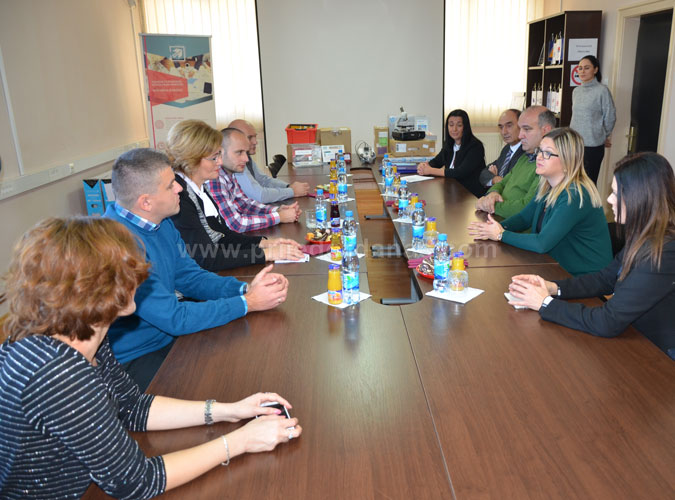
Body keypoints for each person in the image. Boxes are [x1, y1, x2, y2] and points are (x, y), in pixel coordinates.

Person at [0, 217, 302, 499]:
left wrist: (231, 411)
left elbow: (132, 407)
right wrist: (240, 441)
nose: (142, 278)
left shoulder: (83, 332)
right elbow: (138, 481)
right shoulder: (60, 375)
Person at [105, 148, 289, 390]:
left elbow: (190, 277)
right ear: (146, 202)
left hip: (167, 338)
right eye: (170, 185)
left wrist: (244, 289)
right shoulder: (117, 247)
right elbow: (175, 318)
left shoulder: (161, 223)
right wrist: (248, 303)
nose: (180, 188)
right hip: (134, 359)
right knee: (224, 383)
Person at [507, 153, 675, 359]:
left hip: (658, 357)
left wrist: (544, 303)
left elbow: (607, 321)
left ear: (640, 197)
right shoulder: (645, 235)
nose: (609, 199)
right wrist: (552, 287)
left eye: (616, 193)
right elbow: (605, 279)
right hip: (634, 338)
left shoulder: (663, 252)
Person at [468, 127, 612, 276]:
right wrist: (494, 228)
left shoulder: (575, 194)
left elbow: (541, 243)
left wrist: (501, 235)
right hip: (555, 265)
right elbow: (524, 218)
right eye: (540, 151)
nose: (539, 157)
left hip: (586, 277)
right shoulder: (547, 185)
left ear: (566, 160)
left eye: (547, 153)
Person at [167, 119, 304, 271]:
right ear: (191, 158)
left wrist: (264, 243)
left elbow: (222, 236)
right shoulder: (180, 197)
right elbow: (207, 257)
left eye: (219, 155)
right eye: (214, 157)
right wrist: (266, 254)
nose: (220, 162)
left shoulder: (199, 188)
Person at [208, 128, 301, 232]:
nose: (246, 159)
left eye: (246, 153)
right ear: (220, 152)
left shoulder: (230, 173)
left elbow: (244, 204)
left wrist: (276, 210)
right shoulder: (214, 179)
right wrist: (279, 217)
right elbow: (236, 224)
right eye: (239, 152)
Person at [475, 106, 555, 218]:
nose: (520, 135)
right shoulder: (525, 157)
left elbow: (526, 209)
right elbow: (503, 183)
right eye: (520, 129)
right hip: (499, 217)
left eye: (526, 129)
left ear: (545, 131)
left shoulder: (546, 165)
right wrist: (493, 194)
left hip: (511, 223)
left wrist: (489, 205)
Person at [229, 119, 310, 202]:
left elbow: (264, 180)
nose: (255, 142)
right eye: (249, 138)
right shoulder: (236, 162)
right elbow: (260, 195)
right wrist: (292, 191)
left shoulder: (246, 157)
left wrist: (288, 187)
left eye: (255, 137)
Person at [417, 109, 486, 197]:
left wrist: (430, 170)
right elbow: (436, 162)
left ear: (465, 127)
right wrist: (424, 166)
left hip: (470, 195)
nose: (454, 129)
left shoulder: (475, 146)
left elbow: (460, 172)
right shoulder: (449, 144)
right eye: (451, 125)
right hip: (452, 191)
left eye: (459, 125)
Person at [570, 55, 616, 184]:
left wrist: (603, 136)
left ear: (595, 70)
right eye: (580, 68)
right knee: (572, 182)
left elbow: (610, 116)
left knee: (587, 184)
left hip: (592, 147)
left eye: (586, 68)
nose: (582, 71)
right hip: (574, 145)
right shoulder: (576, 91)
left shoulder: (602, 91)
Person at [478, 109, 524, 188]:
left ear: (521, 126)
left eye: (509, 126)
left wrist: (497, 180)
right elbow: (484, 173)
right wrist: (495, 179)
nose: (504, 132)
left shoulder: (526, 151)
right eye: (501, 127)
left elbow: (512, 184)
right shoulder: (507, 149)